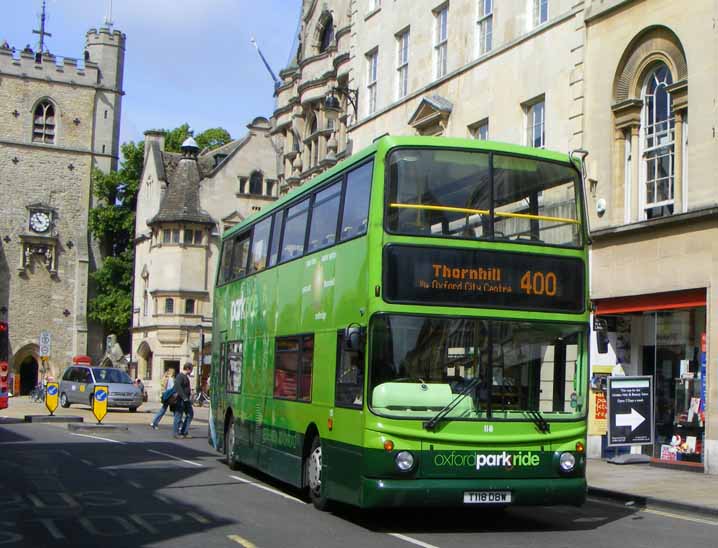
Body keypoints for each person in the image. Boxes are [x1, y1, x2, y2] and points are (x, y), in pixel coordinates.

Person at [173, 363, 194, 439]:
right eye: (191, 369)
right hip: (181, 399)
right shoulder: (180, 376)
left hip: (186, 400)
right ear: (188, 369)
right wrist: (184, 397)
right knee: (178, 415)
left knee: (190, 414)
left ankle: (184, 431)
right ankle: (176, 433)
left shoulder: (185, 377)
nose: (191, 371)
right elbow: (177, 386)